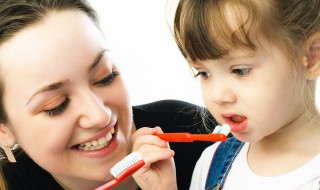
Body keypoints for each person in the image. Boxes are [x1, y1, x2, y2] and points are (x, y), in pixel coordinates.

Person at [0, 0, 217, 189]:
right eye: (56, 105)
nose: (100, 116)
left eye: (105, 76)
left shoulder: (204, 142)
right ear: (3, 130)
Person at [133, 0, 320, 189]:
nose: (217, 95)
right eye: (204, 73)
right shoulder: (210, 162)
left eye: (240, 70)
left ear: (313, 57)